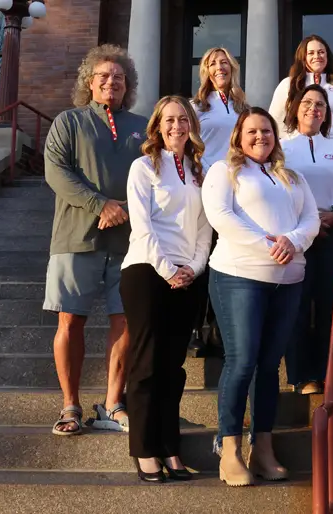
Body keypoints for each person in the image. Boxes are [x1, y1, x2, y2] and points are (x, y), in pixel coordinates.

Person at [202, 107, 320, 486]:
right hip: (240, 276)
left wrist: (294, 241)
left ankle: (263, 447)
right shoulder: (224, 171)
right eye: (252, 131)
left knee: (270, 367)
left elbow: (311, 220)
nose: (260, 137)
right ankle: (230, 449)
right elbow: (220, 215)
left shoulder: (292, 176)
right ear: (238, 135)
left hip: (288, 281)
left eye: (267, 131)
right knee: (242, 362)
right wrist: (269, 245)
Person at [43, 44, 147, 437]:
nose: (111, 82)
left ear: (127, 86)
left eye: (118, 78)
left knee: (126, 321)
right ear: (89, 82)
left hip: (131, 243)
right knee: (70, 321)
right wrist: (100, 204)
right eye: (103, 76)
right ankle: (70, 405)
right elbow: (56, 172)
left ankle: (113, 403)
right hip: (75, 238)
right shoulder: (68, 122)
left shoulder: (142, 125)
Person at [120, 96, 212, 483]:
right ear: (157, 126)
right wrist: (167, 269)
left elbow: (206, 227)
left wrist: (193, 266)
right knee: (146, 365)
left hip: (186, 276)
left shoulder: (198, 170)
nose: (177, 126)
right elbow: (142, 225)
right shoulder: (143, 167)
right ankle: (145, 450)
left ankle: (171, 447)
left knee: (172, 370)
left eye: (183, 119)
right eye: (169, 120)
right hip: (147, 271)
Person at [281, 84, 333, 395]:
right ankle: (300, 375)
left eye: (320, 104)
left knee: (328, 306)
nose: (314, 108)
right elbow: (278, 187)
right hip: (295, 235)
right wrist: (308, 220)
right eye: (307, 102)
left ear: (326, 114)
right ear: (296, 109)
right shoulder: (281, 147)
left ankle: (327, 372)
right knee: (295, 307)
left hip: (331, 234)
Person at [189, 46, 250, 355]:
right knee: (204, 255)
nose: (219, 68)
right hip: (205, 189)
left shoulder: (243, 107)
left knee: (226, 258)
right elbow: (187, 146)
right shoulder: (197, 106)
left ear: (232, 68)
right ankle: (197, 328)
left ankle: (220, 329)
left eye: (224, 63)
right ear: (206, 71)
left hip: (235, 191)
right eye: (213, 63)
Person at [270, 35, 333, 154]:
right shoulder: (288, 84)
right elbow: (274, 119)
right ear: (303, 57)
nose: (317, 56)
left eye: (321, 52)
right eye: (311, 53)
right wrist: (290, 139)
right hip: (297, 150)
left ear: (327, 56)